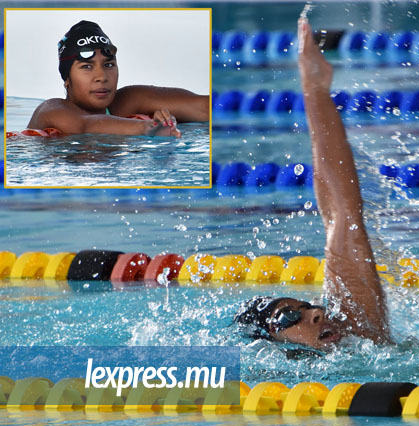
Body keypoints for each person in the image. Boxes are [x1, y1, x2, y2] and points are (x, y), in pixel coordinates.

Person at [235, 18, 391, 350]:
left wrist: (315, 88)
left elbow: (342, 213)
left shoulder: (363, 338)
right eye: (289, 318)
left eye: (305, 308)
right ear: (268, 345)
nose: (318, 312)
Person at [27, 20, 210, 137]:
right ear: (67, 79)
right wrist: (148, 128)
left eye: (108, 65)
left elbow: (204, 108)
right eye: (87, 67)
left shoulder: (127, 101)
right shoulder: (51, 110)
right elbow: (84, 126)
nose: (102, 77)